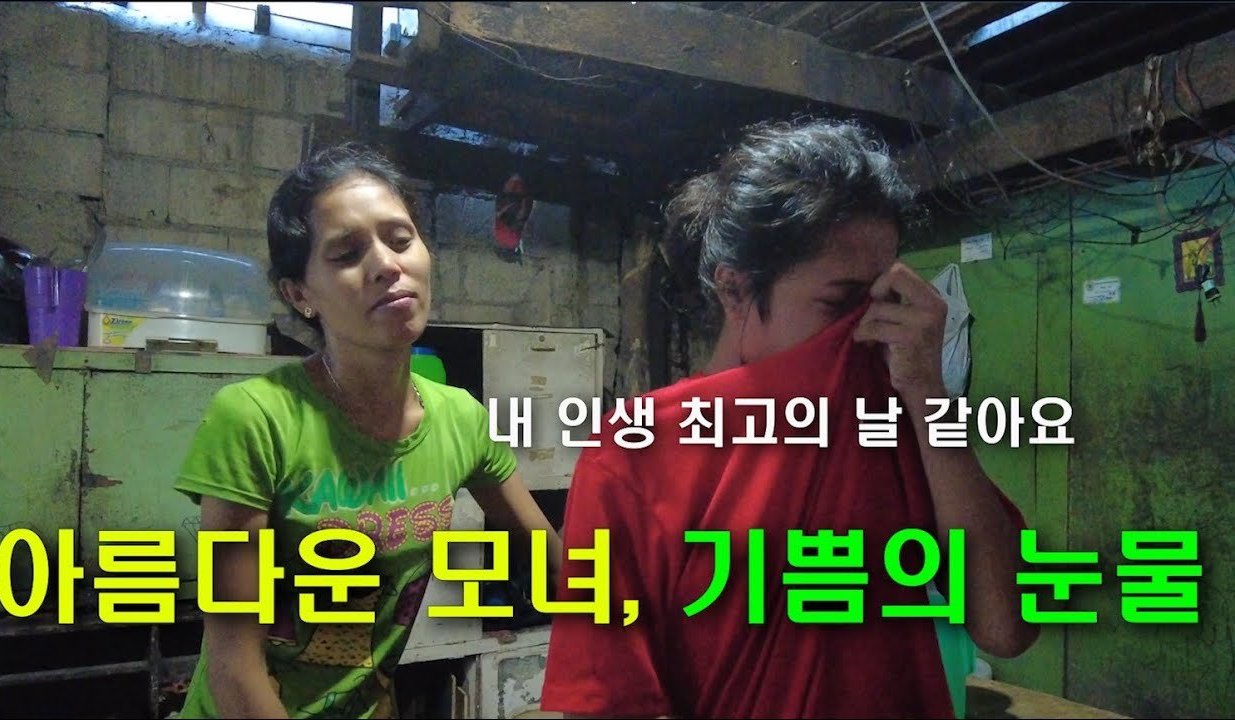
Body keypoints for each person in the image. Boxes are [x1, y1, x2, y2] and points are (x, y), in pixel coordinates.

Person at [539, 118, 1039, 719]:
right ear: (735, 292)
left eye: (883, 300)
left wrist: (929, 394)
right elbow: (607, 704)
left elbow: (1006, 626)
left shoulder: (890, 419)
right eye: (839, 304)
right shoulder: (638, 452)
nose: (869, 330)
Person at [172, 142, 563, 719]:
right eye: (347, 253)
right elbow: (234, 669)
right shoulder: (255, 419)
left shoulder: (460, 419)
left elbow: (556, 563)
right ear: (299, 294)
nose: (387, 264)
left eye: (401, 239)